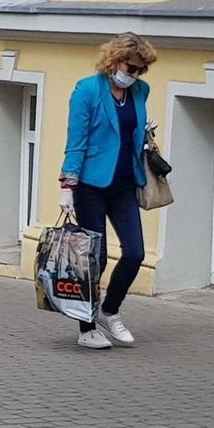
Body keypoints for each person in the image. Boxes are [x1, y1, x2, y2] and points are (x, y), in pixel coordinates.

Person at [58, 33, 158, 349]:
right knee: (94, 258)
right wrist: (67, 187)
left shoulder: (140, 91)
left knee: (135, 252)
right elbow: (77, 141)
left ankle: (109, 310)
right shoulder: (87, 90)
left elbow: (129, 131)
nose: (136, 75)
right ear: (114, 60)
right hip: (91, 185)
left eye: (141, 70)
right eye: (132, 68)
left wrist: (145, 127)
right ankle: (86, 328)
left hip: (125, 183)